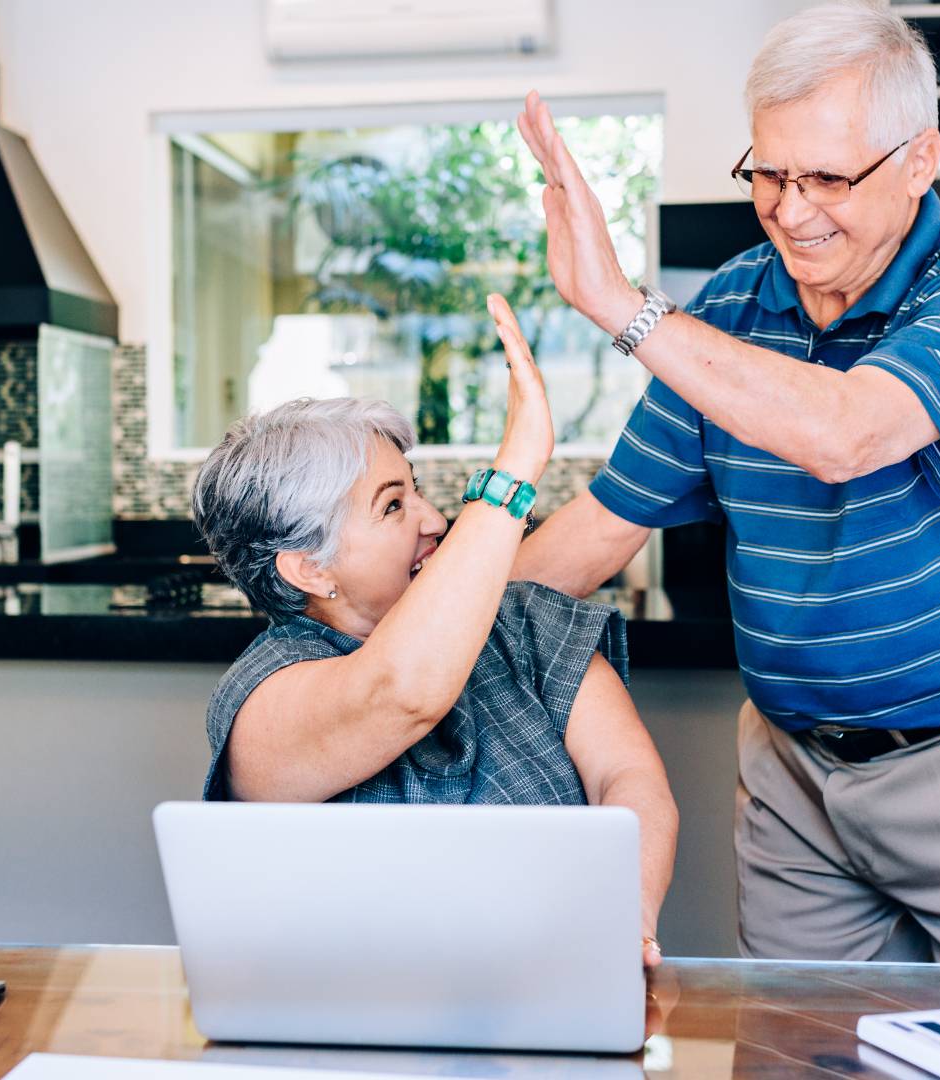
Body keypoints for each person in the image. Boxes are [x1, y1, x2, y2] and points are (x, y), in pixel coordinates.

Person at [509, 1, 940, 965]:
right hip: (797, 775)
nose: (792, 209)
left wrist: (616, 303)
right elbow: (602, 526)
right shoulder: (733, 307)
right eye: (771, 173)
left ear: (921, 161)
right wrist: (410, 645)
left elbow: (848, 431)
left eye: (828, 176)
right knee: (799, 1056)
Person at [192, 295, 679, 967]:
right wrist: (514, 471)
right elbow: (399, 692)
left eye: (416, 489)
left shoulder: (521, 621)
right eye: (393, 505)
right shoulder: (264, 700)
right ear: (310, 567)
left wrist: (627, 912)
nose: (434, 519)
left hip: (552, 982)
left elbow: (628, 778)